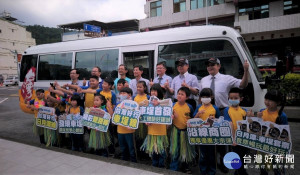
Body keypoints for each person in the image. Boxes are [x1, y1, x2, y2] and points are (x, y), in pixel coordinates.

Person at [199, 57, 249, 173]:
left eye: (213, 64)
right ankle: (211, 162)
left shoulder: (227, 78)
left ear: (219, 66)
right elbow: (201, 97)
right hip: (207, 112)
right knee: (209, 138)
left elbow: (242, 85)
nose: (210, 66)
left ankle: (223, 161)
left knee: (223, 140)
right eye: (208, 65)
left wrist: (246, 71)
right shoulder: (203, 80)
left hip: (222, 111)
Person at [257, 89, 288, 175]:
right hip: (262, 144)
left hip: (276, 146)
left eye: (270, 100)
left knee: (276, 167)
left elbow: (285, 134)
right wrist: (258, 118)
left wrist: (283, 151)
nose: (267, 102)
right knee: (262, 166)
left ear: (277, 102)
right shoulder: (262, 111)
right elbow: (257, 127)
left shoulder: (281, 115)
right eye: (266, 99)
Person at [223, 88, 251, 175]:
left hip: (244, 138)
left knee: (244, 156)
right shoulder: (227, 110)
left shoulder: (244, 111)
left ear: (241, 99)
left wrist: (250, 117)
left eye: (235, 98)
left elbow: (248, 125)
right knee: (237, 156)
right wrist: (233, 139)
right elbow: (229, 124)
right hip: (235, 139)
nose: (233, 100)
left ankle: (239, 171)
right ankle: (241, 172)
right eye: (231, 98)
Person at [141, 83, 169, 168]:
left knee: (161, 151)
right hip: (151, 131)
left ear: (159, 92)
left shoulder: (165, 102)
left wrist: (159, 103)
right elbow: (143, 114)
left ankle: (161, 166)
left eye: (155, 91)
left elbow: (169, 109)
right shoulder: (148, 103)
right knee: (153, 151)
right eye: (152, 91)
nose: (153, 92)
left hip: (161, 132)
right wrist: (145, 121)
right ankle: (154, 165)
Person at [193, 88, 220, 175]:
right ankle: (203, 171)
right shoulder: (198, 107)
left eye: (207, 96)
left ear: (211, 97)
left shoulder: (215, 108)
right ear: (200, 98)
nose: (205, 98)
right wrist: (198, 114)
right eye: (203, 97)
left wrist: (214, 119)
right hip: (201, 135)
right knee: (203, 155)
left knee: (212, 155)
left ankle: (212, 171)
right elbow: (193, 120)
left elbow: (220, 120)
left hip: (212, 135)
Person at [170, 87, 195, 173]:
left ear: (187, 97)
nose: (179, 96)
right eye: (179, 94)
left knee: (185, 150)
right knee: (175, 150)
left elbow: (192, 118)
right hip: (175, 130)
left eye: (182, 94)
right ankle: (174, 168)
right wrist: (172, 117)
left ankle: (185, 167)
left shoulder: (189, 107)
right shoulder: (173, 105)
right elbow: (168, 118)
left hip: (186, 131)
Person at [116, 87, 137, 162]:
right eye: (121, 93)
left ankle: (133, 161)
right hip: (120, 130)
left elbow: (136, 117)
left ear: (129, 95)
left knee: (131, 148)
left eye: (124, 93)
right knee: (123, 147)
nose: (122, 95)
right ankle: (124, 160)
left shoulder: (134, 105)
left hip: (129, 131)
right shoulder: (118, 105)